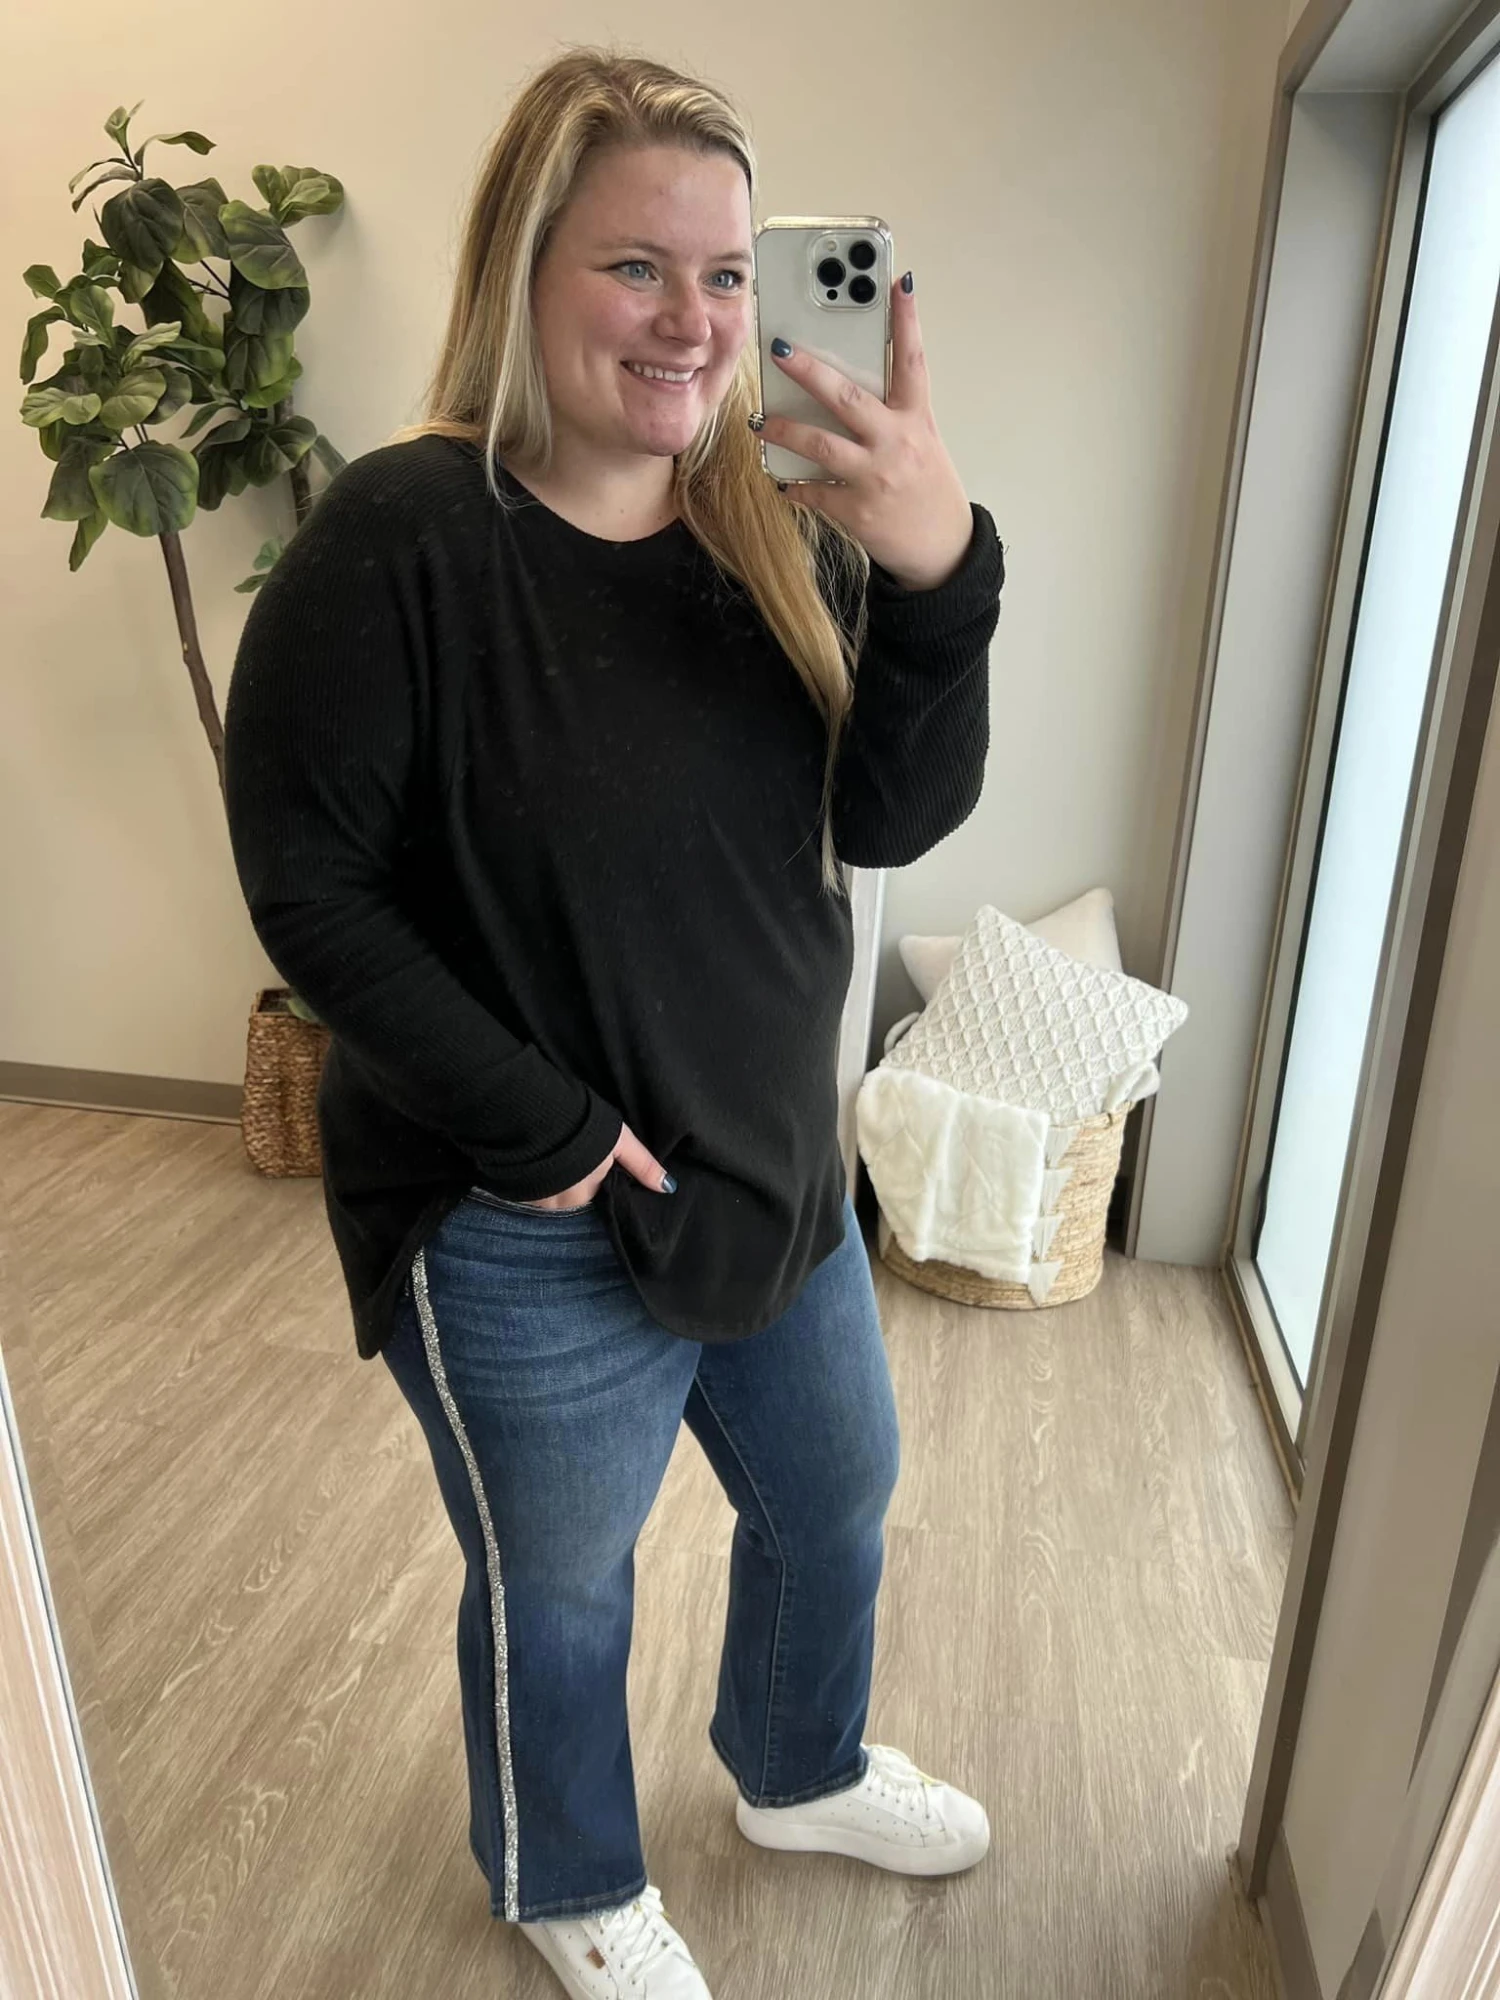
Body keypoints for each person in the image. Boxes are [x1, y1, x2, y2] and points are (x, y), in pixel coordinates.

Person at [223, 44, 1003, 2000]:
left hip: (775, 1168)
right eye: (635, 266)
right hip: (531, 1219)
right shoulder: (401, 540)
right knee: (561, 1586)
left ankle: (799, 1768)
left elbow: (893, 813)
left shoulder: (777, 526)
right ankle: (566, 1873)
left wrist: (939, 575)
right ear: (525, 266)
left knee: (834, 1493)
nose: (693, 322)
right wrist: (545, 1131)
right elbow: (313, 893)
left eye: (728, 275)